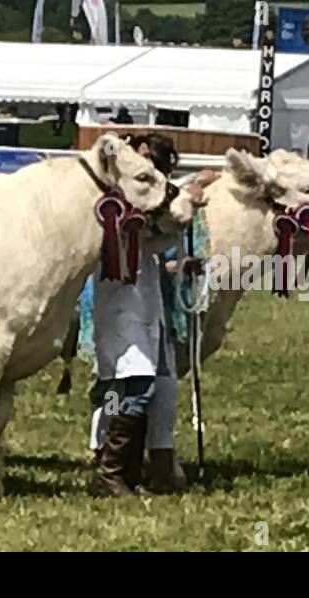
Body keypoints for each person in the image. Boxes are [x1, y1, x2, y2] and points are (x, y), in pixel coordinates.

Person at [88, 133, 213, 496]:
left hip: (148, 305)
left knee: (143, 386)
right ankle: (106, 467)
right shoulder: (114, 208)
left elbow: (160, 243)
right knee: (119, 387)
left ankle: (126, 472)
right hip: (118, 304)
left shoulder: (150, 210)